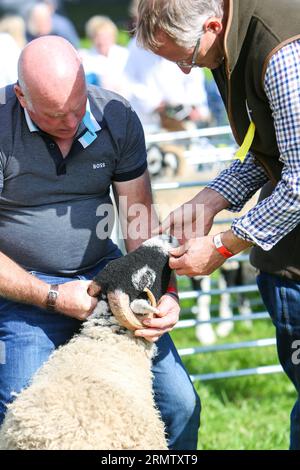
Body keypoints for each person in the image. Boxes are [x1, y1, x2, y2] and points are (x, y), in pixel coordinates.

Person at [0, 35, 200, 450]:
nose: (72, 122)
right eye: (55, 115)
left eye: (77, 106)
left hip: (106, 277)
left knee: (179, 404)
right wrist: (52, 296)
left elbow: (139, 220)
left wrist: (165, 292)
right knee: (18, 414)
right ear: (21, 96)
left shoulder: (116, 115)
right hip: (24, 289)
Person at [135, 0, 300, 450]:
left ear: (211, 24)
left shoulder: (280, 50)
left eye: (186, 59)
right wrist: (209, 200)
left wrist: (224, 246)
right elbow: (265, 145)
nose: (188, 73)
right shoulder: (230, 41)